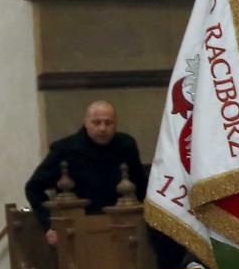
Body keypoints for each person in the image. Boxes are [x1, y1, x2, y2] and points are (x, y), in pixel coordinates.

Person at [23, 100, 147, 246]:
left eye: (108, 123)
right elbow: (33, 188)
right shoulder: (65, 150)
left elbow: (142, 186)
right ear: (86, 122)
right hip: (79, 231)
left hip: (122, 227)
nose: (102, 128)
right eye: (96, 122)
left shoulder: (126, 145)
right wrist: (50, 225)